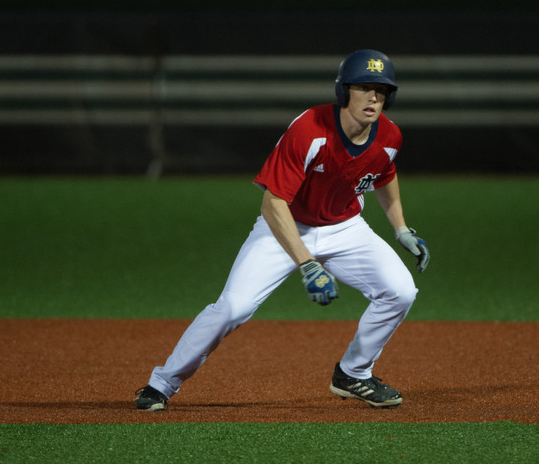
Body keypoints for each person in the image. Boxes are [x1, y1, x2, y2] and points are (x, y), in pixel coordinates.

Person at [135, 49, 430, 411]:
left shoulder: (389, 135)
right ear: (343, 91)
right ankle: (161, 384)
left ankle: (354, 373)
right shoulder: (310, 129)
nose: (373, 97)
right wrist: (308, 264)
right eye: (363, 87)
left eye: (381, 90)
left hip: (346, 228)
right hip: (285, 225)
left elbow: (384, 173)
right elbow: (273, 204)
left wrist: (401, 229)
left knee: (400, 291)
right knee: (232, 308)